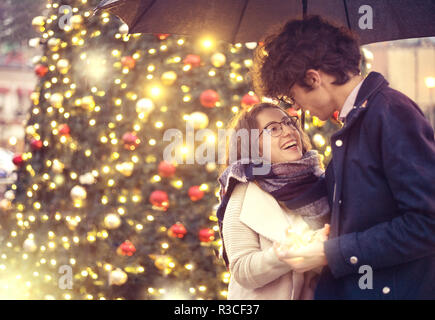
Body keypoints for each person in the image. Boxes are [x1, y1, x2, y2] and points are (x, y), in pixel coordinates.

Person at [252, 15, 435, 299]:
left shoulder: (390, 112)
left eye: (293, 96)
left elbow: (427, 223)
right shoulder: (356, 119)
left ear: (314, 78)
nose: (296, 108)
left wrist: (331, 252)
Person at [217, 102, 330, 300]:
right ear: (253, 146)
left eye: (289, 123)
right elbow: (242, 270)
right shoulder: (243, 189)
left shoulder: (324, 181)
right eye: (274, 129)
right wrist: (281, 255)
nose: (288, 131)